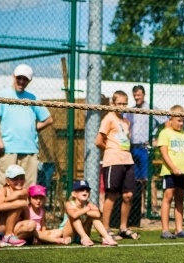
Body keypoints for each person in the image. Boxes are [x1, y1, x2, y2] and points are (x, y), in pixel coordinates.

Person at [0, 64, 53, 187]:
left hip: (29, 150)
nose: (21, 81)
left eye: (25, 79)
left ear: (29, 80)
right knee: (6, 187)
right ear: (13, 76)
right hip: (8, 149)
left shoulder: (33, 98)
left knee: (28, 188)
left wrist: (32, 128)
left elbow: (48, 120)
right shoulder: (1, 95)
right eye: (19, 78)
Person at [95, 91, 139, 240]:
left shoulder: (126, 122)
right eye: (119, 103)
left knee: (128, 195)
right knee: (112, 194)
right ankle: (105, 229)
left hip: (127, 160)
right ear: (112, 103)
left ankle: (123, 228)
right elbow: (98, 141)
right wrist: (111, 149)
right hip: (113, 160)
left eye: (124, 104)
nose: (122, 107)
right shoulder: (109, 118)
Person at [157, 106, 184, 239]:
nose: (181, 124)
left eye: (183, 121)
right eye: (178, 120)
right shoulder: (165, 133)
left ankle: (179, 229)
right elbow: (164, 153)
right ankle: (165, 230)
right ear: (171, 119)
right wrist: (173, 168)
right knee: (168, 197)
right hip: (170, 172)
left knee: (180, 199)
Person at [125, 85, 166, 218]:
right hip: (133, 147)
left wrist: (158, 139)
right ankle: (141, 208)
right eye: (135, 95)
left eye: (139, 95)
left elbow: (166, 122)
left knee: (149, 179)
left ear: (144, 95)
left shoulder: (151, 109)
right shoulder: (130, 111)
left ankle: (153, 208)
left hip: (145, 148)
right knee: (138, 180)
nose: (137, 97)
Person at [0, 164, 37, 247]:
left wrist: (29, 232)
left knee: (32, 225)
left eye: (22, 178)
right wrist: (20, 203)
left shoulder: (24, 192)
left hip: (15, 227)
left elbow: (26, 217)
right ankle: (7, 235)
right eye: (15, 179)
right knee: (18, 205)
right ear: (7, 181)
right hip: (0, 226)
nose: (19, 181)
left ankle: (11, 239)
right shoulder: (4, 190)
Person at [64, 179, 118, 247]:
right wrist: (87, 209)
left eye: (87, 190)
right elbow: (74, 215)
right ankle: (84, 238)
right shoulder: (69, 204)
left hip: (83, 232)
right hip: (69, 235)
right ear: (74, 194)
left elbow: (97, 214)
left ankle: (107, 237)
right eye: (81, 189)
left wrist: (84, 210)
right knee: (76, 217)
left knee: (93, 217)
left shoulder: (89, 204)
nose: (85, 191)